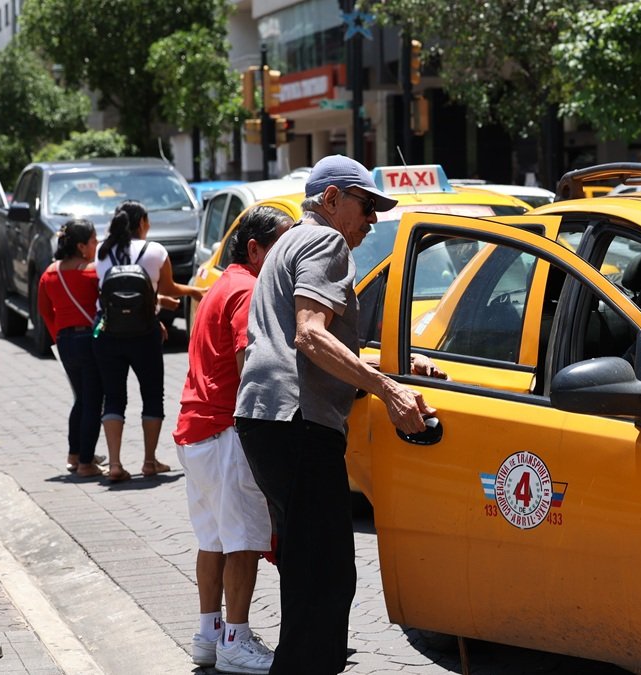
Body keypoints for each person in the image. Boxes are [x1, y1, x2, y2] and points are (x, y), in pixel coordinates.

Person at [234, 155, 444, 673]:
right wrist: (388, 389)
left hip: (267, 419)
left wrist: (383, 365)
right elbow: (309, 333)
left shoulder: (288, 240)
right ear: (331, 200)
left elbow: (299, 338)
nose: (372, 220)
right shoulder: (326, 241)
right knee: (326, 575)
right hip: (297, 423)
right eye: (366, 206)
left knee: (309, 569)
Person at [174, 205, 292, 673]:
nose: (287, 255)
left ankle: (209, 635)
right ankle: (236, 642)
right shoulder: (248, 288)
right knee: (242, 541)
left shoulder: (221, 285)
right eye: (280, 246)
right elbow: (250, 367)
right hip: (226, 431)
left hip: (196, 430)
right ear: (255, 249)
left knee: (214, 539)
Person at [94, 200, 203, 482]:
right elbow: (167, 287)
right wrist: (194, 291)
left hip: (108, 332)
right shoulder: (154, 251)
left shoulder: (102, 251)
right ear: (141, 222)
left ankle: (115, 464)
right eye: (148, 220)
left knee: (114, 397)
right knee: (152, 395)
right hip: (145, 333)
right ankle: (149, 461)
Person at [36, 219, 106, 478]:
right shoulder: (92, 272)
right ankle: (86, 462)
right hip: (89, 340)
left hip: (65, 342)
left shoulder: (49, 273)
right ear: (80, 245)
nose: (96, 244)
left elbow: (44, 311)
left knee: (81, 398)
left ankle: (74, 454)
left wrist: (60, 337)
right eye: (93, 240)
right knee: (93, 401)